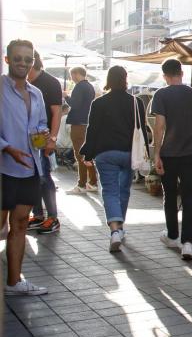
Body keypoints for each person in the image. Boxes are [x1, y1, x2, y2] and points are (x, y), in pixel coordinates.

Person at [79, 66, 148, 252]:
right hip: (129, 154)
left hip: (106, 154)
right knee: (124, 191)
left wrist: (88, 154)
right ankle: (121, 229)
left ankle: (115, 231)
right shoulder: (136, 102)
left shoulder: (99, 103)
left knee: (109, 191)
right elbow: (143, 131)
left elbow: (92, 130)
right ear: (125, 79)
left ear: (108, 79)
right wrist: (146, 153)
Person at [151, 59, 192, 260]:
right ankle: (188, 243)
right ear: (182, 73)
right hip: (191, 153)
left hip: (169, 154)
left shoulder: (161, 95)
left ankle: (172, 235)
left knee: (169, 195)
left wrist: (156, 154)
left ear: (164, 76)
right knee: (189, 197)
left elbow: (159, 127)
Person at [1, 40, 50, 295]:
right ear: (7, 59)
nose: (23, 63)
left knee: (20, 225)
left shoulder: (36, 93)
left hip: (30, 168)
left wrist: (43, 135)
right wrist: (7, 148)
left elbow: (40, 123)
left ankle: (14, 282)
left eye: (28, 59)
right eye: (18, 58)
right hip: (4, 168)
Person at [27, 51, 63, 234]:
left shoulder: (50, 82)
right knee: (32, 178)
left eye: (26, 60)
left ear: (33, 62)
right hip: (25, 140)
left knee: (44, 177)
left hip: (43, 138)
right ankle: (38, 215)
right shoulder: (21, 83)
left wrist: (53, 139)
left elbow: (57, 112)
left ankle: (53, 218)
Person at [66, 65, 98, 194]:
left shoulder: (79, 87)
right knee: (87, 154)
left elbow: (75, 104)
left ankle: (81, 184)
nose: (71, 78)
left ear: (76, 74)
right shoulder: (90, 86)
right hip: (87, 122)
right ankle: (93, 182)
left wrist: (66, 97)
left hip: (78, 123)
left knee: (79, 154)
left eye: (71, 75)